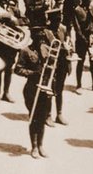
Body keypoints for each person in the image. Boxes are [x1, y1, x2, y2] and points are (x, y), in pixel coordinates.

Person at [19, 18, 54, 158]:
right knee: (34, 117)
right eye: (38, 36)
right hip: (31, 88)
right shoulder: (26, 51)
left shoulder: (47, 50)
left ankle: (40, 145)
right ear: (33, 37)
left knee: (42, 118)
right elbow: (18, 69)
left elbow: (53, 66)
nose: (41, 39)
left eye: (42, 36)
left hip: (45, 87)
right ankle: (33, 146)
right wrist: (33, 73)